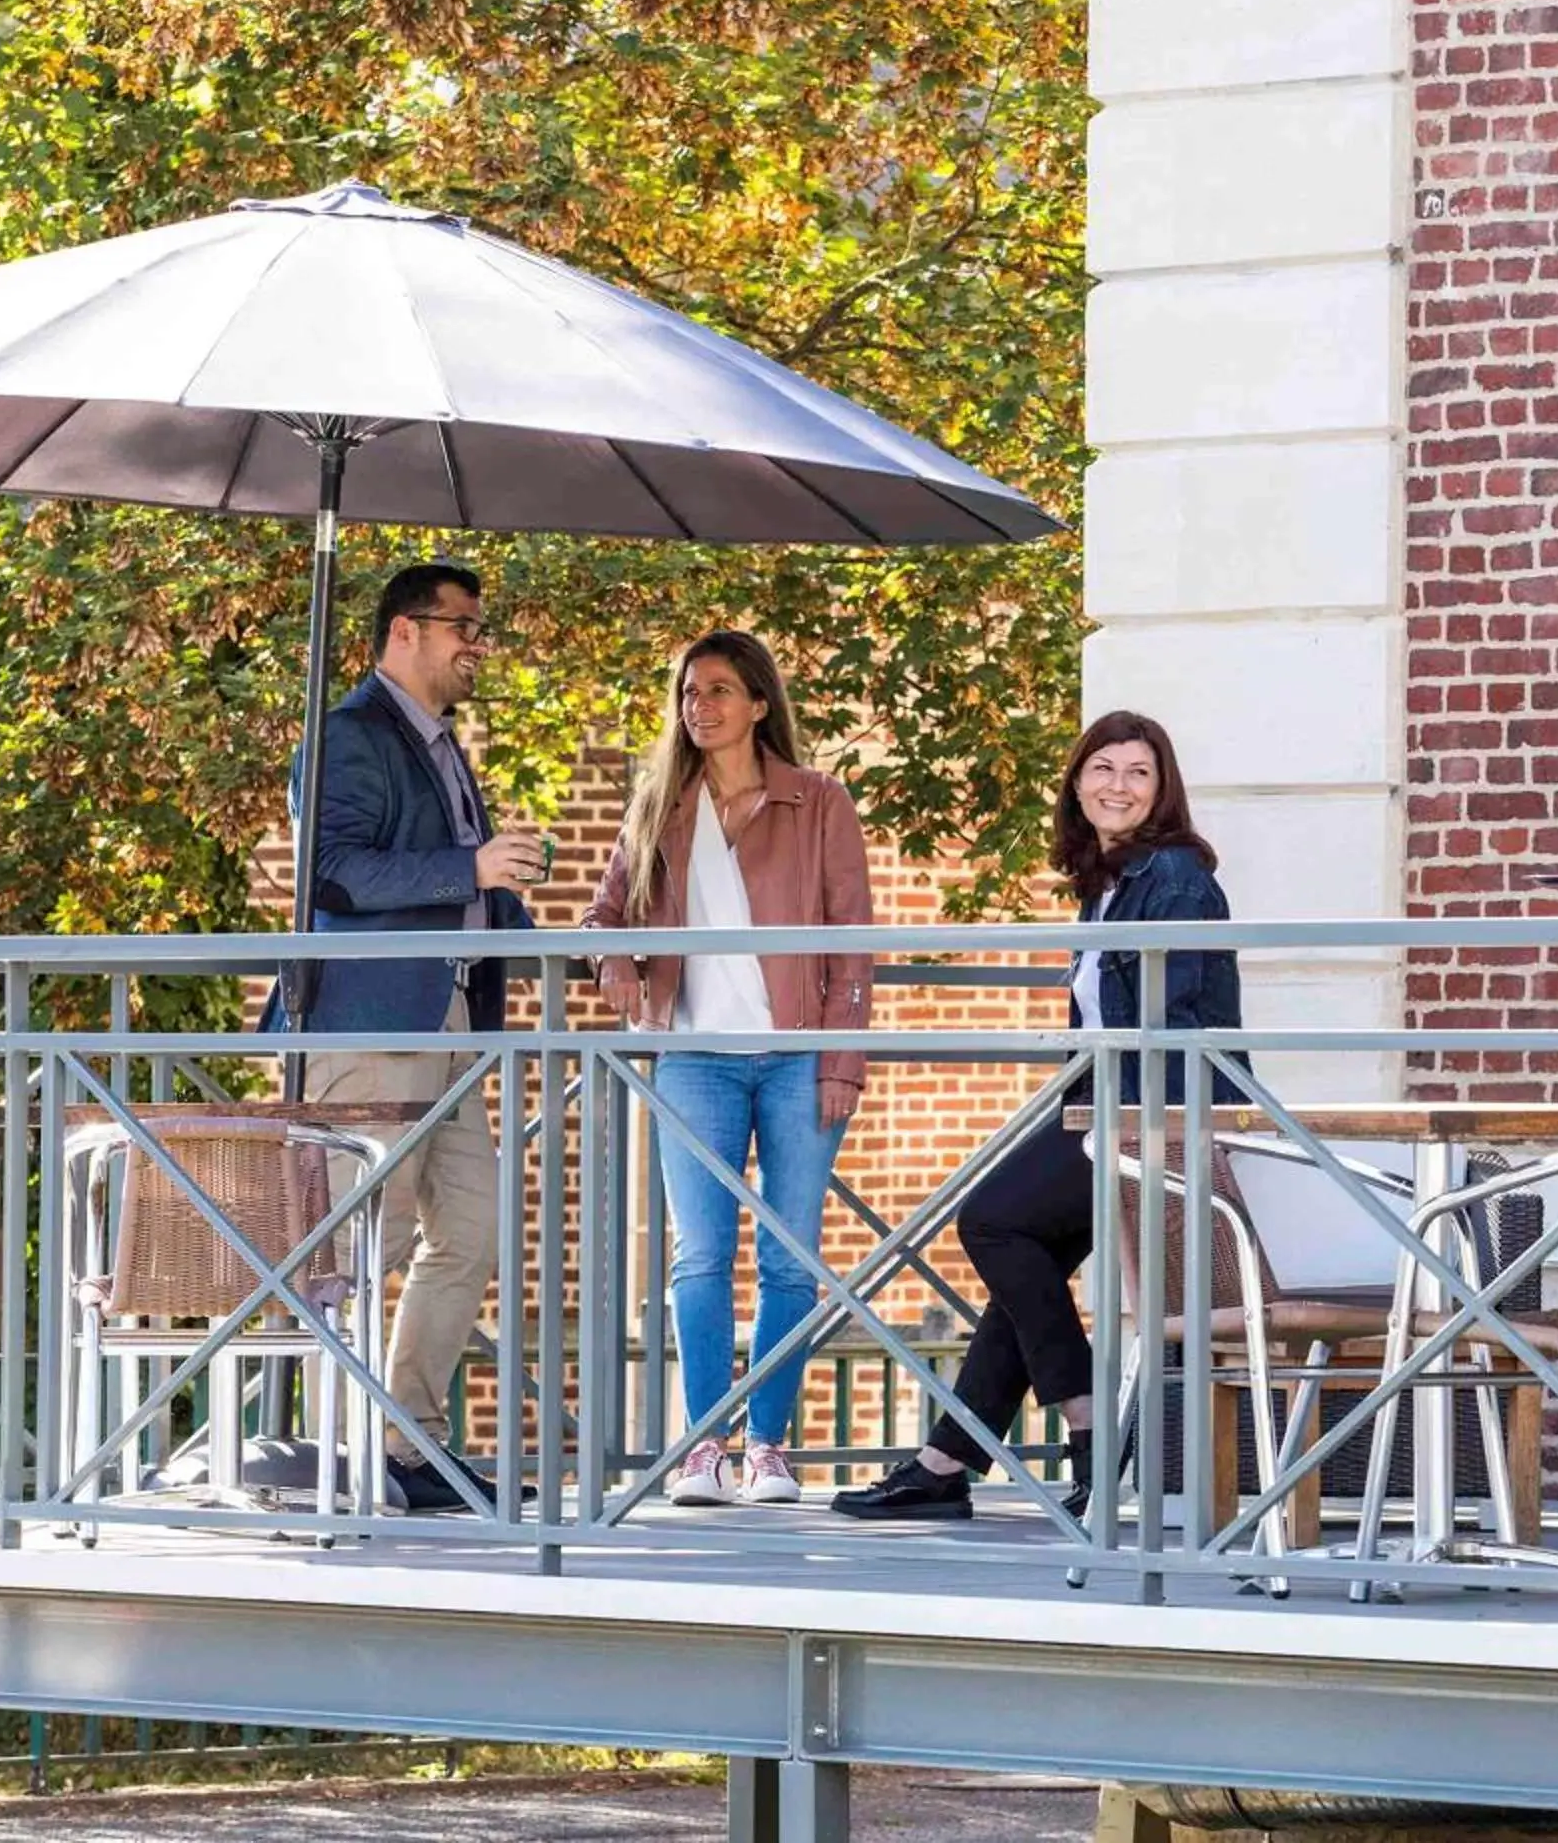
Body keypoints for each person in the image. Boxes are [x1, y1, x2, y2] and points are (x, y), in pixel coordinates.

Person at [833, 710, 1241, 1524]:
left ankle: (1088, 1426)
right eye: (1103, 769)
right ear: (1078, 780)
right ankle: (946, 1461)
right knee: (1029, 1268)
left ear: (1162, 792)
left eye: (1137, 774)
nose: (1117, 786)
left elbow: (1172, 1017)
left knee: (991, 1221)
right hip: (1107, 1103)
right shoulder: (1112, 882)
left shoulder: (1175, 877)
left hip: (1154, 1108)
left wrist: (1090, 1116)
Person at [584, 630, 873, 1508]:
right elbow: (602, 920)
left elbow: (852, 947)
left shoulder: (817, 802)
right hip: (694, 1060)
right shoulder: (660, 807)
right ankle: (704, 1448)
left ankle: (768, 1447)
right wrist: (620, 970)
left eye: (716, 690)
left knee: (790, 1259)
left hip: (797, 1061)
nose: (698, 706)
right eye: (687, 692)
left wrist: (840, 1062)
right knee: (699, 1257)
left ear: (757, 702)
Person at [298, 561, 547, 1514]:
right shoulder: (350, 735)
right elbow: (332, 872)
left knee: (472, 1232)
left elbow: (464, 884)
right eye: (463, 626)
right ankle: (342, 1449)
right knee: (368, 1240)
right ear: (405, 631)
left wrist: (555, 938)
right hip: (370, 1023)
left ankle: (405, 1443)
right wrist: (469, 863)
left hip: (452, 1024)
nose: (476, 644)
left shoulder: (445, 746)